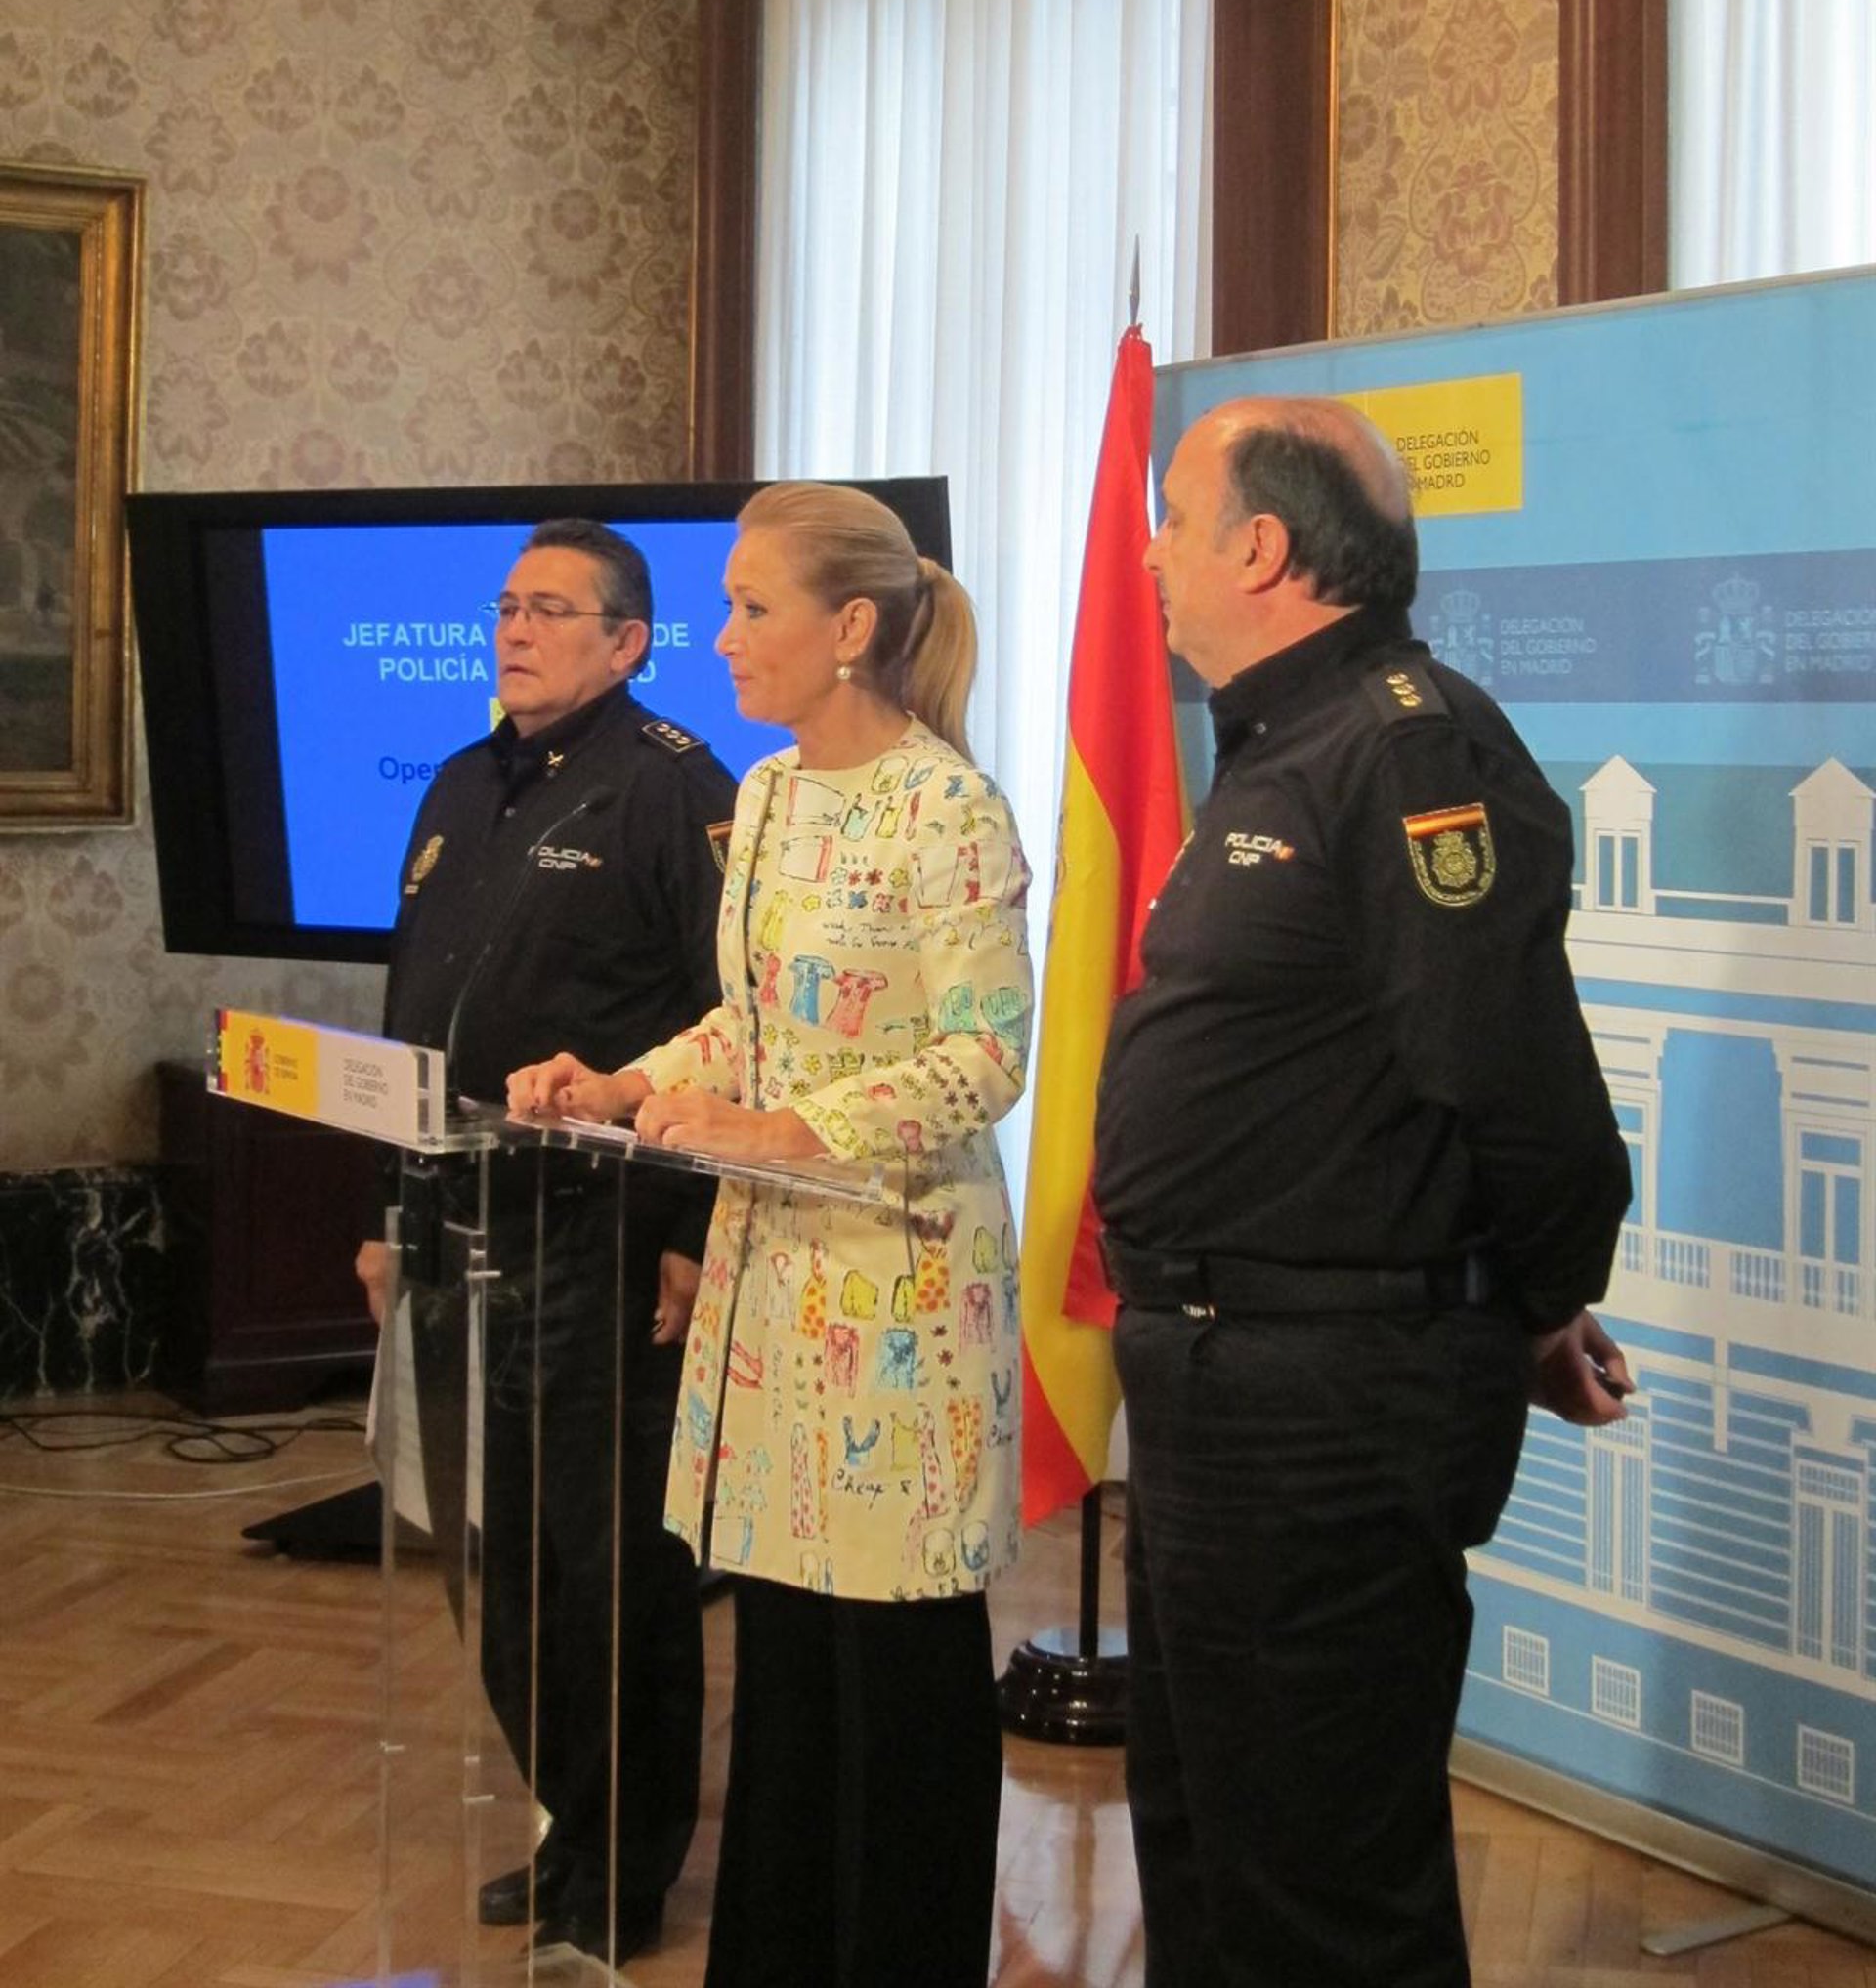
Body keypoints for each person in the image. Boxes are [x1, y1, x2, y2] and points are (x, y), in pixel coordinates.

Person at [1091, 396, 1636, 1988]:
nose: (1150, 555)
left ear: (1261, 547)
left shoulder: (1407, 746)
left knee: (1322, 1886)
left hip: (1327, 1400)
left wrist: (1530, 1308)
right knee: (1209, 1842)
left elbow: (1514, 1081)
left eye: (1172, 520)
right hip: (1216, 1377)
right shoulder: (1281, 744)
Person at [509, 483, 1032, 1988]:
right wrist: (623, 1084)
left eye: (752, 608)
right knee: (791, 1687)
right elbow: (753, 1024)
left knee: (899, 1693)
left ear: (851, 627)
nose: (725, 636)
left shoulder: (950, 809)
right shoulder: (773, 797)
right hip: (772, 1303)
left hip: (900, 1300)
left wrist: (784, 1135)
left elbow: (987, 1057)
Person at [355, 518, 738, 1966]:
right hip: (459, 1231)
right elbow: (413, 1014)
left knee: (608, 1570)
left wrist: (690, 1230)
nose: (516, 629)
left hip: (602, 1235)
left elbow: (731, 1023)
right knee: (497, 1563)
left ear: (628, 642)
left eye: (552, 610)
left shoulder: (676, 787)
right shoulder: (462, 781)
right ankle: (569, 1824)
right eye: (507, 606)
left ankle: (625, 1871)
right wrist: (385, 1214)